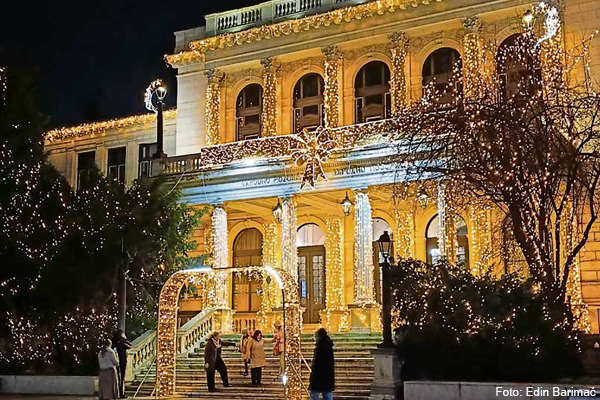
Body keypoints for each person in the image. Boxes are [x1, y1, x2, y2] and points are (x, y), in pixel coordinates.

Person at [309, 328, 335, 400]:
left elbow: (317, 363)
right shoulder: (328, 346)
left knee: (314, 395)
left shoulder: (320, 347)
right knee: (327, 394)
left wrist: (313, 375)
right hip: (327, 375)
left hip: (319, 375)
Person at [111, 329, 132, 399]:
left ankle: (116, 393)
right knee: (121, 378)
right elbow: (130, 345)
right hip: (121, 362)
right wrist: (124, 340)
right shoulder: (122, 343)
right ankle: (121, 393)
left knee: (117, 379)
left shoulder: (114, 342)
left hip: (115, 363)